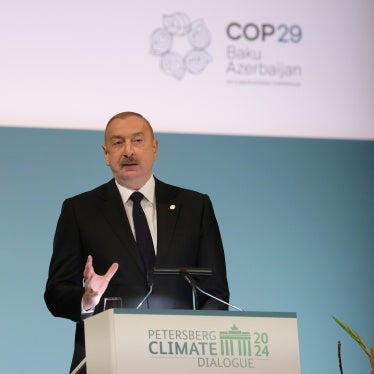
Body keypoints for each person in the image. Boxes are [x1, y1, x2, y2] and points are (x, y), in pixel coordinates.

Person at [44, 111, 230, 373]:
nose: (128, 151)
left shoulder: (195, 206)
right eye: (118, 143)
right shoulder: (79, 210)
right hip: (105, 361)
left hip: (180, 361)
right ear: (106, 154)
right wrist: (88, 299)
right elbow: (56, 292)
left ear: (154, 148)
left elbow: (216, 293)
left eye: (138, 141)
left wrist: (199, 354)